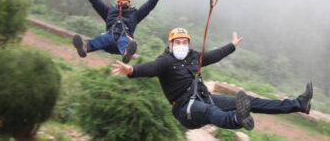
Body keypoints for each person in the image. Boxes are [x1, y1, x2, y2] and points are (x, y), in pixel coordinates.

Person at [111, 27, 313, 130]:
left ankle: (298, 104)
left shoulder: (192, 57)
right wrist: (131, 70)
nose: (181, 45)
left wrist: (231, 46)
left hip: (203, 97)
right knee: (210, 111)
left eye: (184, 42)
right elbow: (150, 68)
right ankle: (236, 119)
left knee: (249, 101)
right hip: (185, 109)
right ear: (170, 44)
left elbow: (212, 56)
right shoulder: (164, 61)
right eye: (177, 42)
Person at [72, 0, 168, 63]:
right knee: (101, 38)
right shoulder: (109, 12)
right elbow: (96, 1)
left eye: (126, 3)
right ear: (116, 4)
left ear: (129, 4)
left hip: (124, 37)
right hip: (109, 37)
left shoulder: (134, 14)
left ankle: (127, 52)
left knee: (124, 41)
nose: (124, 4)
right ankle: (85, 47)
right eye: (121, 3)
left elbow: (148, 6)